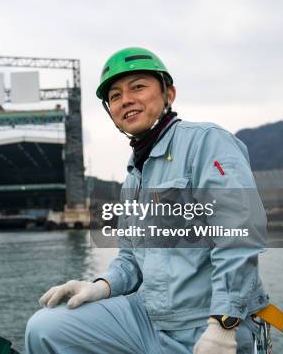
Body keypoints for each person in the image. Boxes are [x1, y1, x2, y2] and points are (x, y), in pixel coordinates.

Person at [25, 47, 269, 354]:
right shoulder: (135, 174)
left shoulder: (206, 143)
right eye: (115, 96)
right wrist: (102, 286)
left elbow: (239, 236)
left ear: (169, 94)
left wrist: (224, 323)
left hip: (203, 322)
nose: (125, 99)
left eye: (138, 87)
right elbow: (130, 258)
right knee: (45, 328)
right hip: (147, 317)